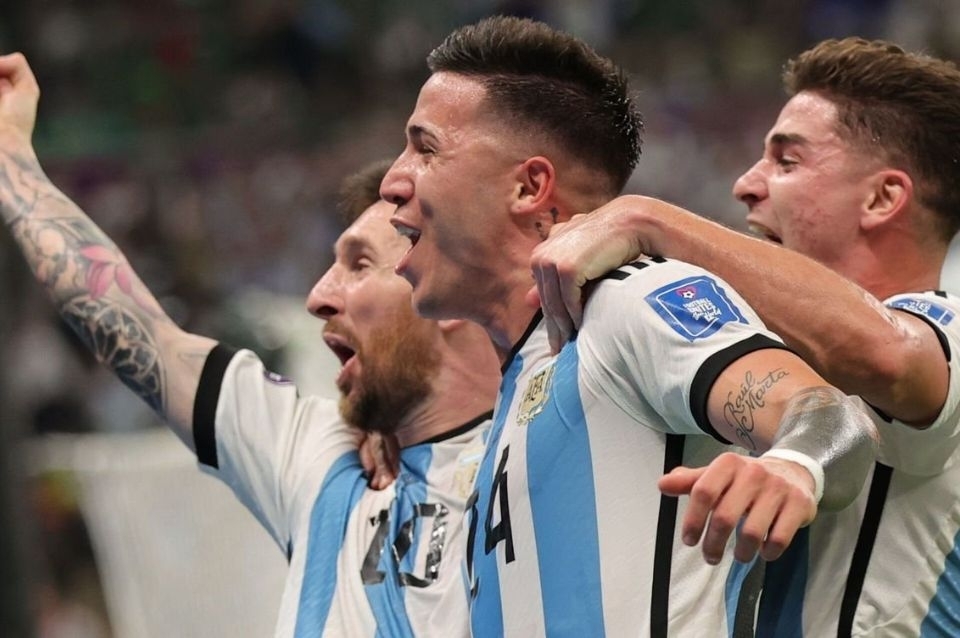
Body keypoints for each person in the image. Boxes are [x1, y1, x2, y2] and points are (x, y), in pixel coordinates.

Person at [378, 16, 878, 637]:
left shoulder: (628, 298)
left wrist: (795, 465)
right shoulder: (521, 384)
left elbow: (830, 417)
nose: (391, 181)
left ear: (530, 187)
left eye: (425, 148)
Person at [0, 53, 502, 637]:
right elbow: (133, 328)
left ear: (442, 290)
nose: (319, 296)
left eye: (360, 264)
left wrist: (609, 228)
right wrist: (11, 160)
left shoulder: (544, 443)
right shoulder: (317, 455)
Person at [528, 36, 960, 636]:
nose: (746, 184)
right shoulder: (762, 366)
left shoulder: (943, 325)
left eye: (787, 161)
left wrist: (648, 218)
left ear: (883, 197)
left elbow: (891, 355)